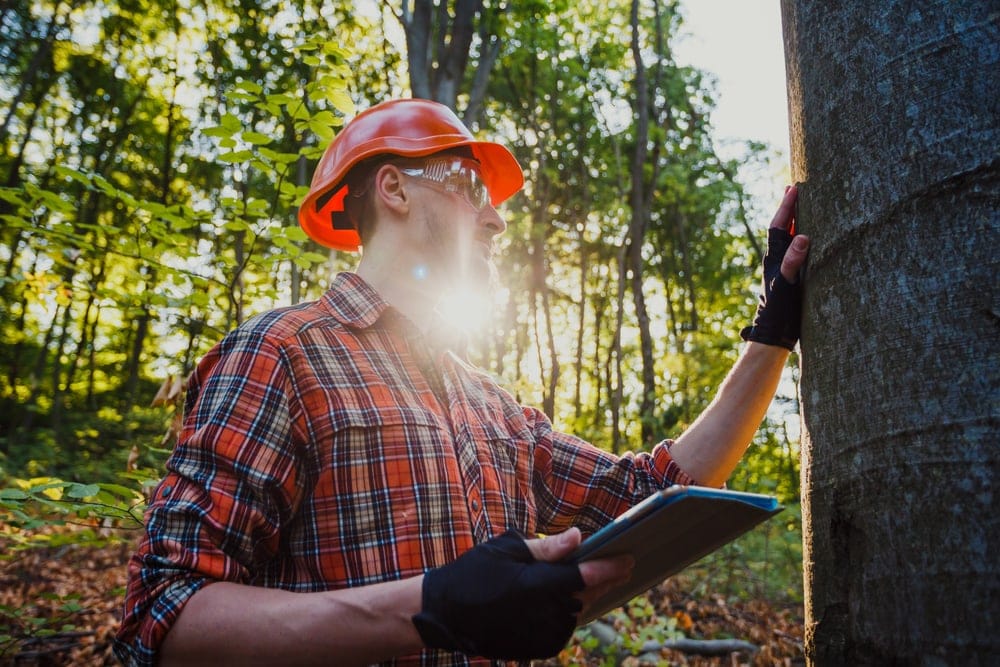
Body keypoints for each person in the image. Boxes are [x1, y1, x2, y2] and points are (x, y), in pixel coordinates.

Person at [114, 98, 809, 666]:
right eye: (472, 189)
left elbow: (654, 493)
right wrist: (431, 607)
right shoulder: (281, 353)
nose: (497, 218)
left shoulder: (493, 407)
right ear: (394, 188)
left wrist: (774, 327)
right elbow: (164, 614)